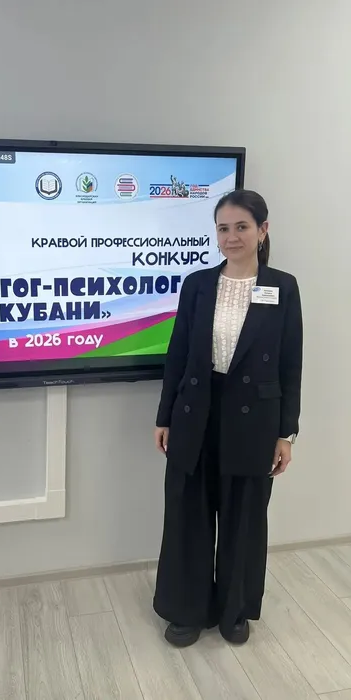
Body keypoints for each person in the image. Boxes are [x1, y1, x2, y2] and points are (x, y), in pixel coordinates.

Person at [153, 189, 302, 647]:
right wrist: (165, 416)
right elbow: (178, 353)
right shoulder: (197, 284)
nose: (232, 236)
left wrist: (286, 433)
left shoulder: (283, 286)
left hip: (255, 421)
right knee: (188, 514)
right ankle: (187, 610)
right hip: (196, 413)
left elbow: (290, 364)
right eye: (223, 228)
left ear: (263, 230)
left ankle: (234, 610)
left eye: (241, 227)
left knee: (244, 519)